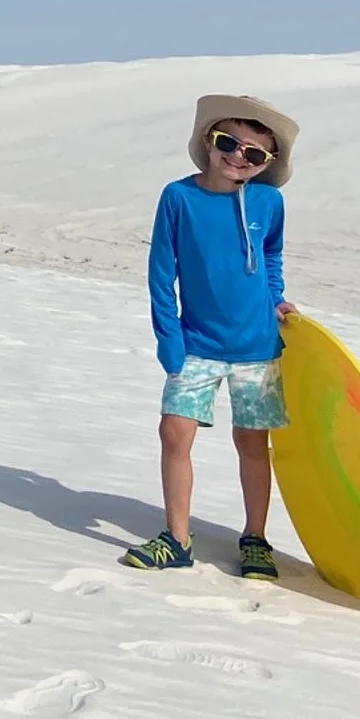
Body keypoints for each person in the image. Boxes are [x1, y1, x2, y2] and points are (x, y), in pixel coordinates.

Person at [120, 95, 300, 576]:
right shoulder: (179, 197)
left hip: (258, 347)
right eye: (229, 143)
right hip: (196, 342)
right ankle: (177, 539)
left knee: (252, 443)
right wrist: (169, 338)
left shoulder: (269, 201)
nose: (238, 157)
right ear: (209, 140)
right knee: (173, 433)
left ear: (267, 163)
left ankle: (256, 538)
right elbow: (162, 273)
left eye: (254, 153)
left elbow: (271, 257)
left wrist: (276, 298)